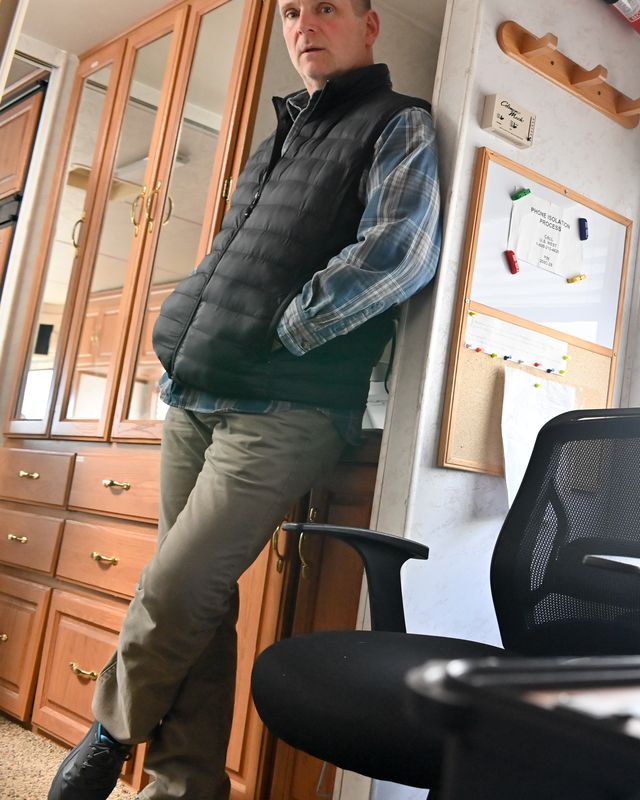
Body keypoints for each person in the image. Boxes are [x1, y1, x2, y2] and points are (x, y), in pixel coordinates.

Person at [48, 0, 441, 796]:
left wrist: (285, 328)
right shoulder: (276, 139)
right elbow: (231, 256)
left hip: (289, 407)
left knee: (175, 588)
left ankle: (108, 733)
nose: (303, 24)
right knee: (203, 606)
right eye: (292, 11)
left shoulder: (400, 123)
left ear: (370, 24)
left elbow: (399, 254)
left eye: (325, 7)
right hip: (195, 390)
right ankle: (185, 788)